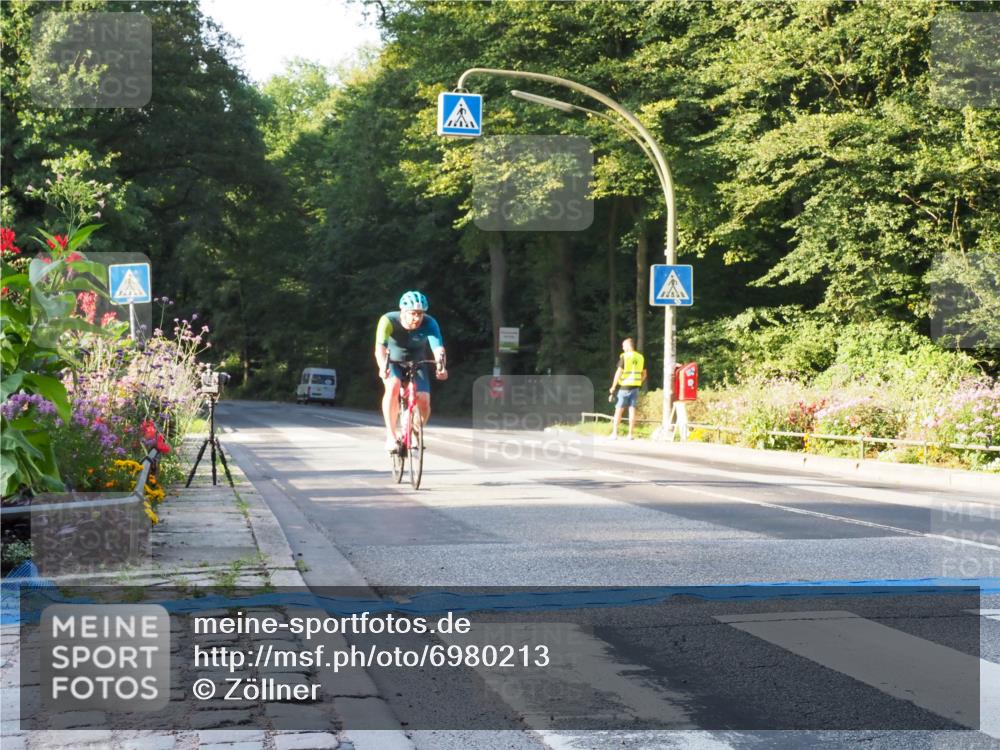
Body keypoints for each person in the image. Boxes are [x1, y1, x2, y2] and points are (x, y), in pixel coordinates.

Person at [375, 291, 448, 451]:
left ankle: (414, 431)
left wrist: (441, 367)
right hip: (393, 361)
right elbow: (380, 348)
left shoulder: (430, 323)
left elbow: (438, 348)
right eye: (413, 313)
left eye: (420, 314)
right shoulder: (388, 320)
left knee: (424, 400)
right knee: (393, 386)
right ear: (403, 311)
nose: (417, 318)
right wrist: (382, 366)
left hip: (417, 362)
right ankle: (391, 436)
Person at [608, 337, 647, 440]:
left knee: (619, 410)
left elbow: (618, 373)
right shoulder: (640, 357)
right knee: (632, 410)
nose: (623, 348)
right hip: (635, 388)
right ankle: (630, 435)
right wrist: (639, 381)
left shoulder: (625, 357)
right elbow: (644, 374)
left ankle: (614, 434)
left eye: (623, 346)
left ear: (628, 346)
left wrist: (613, 386)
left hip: (625, 387)